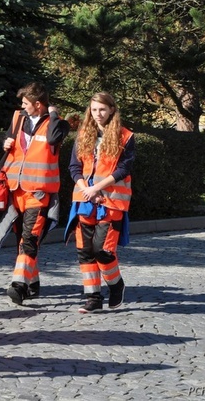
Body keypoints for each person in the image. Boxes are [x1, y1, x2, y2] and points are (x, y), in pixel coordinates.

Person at [0, 82, 70, 305]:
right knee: (22, 238)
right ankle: (33, 282)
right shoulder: (18, 118)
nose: (22, 107)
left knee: (30, 239)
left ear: (38, 105)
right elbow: (10, 145)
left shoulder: (57, 124)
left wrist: (53, 112)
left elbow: (51, 140)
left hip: (39, 193)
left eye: (26, 103)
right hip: (15, 190)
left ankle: (19, 285)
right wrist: (5, 143)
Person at [66, 92, 134, 313]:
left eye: (102, 109)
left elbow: (124, 168)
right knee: (84, 250)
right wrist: (86, 188)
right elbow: (74, 167)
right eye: (94, 110)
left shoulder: (125, 136)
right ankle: (93, 297)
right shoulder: (83, 134)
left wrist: (97, 188)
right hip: (85, 199)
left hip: (111, 200)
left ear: (112, 110)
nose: (98, 114)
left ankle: (116, 284)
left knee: (102, 250)